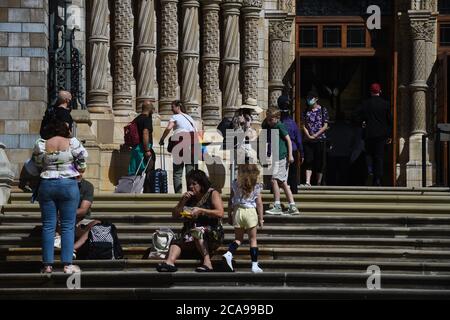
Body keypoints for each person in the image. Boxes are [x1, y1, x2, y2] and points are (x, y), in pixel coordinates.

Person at [33, 119, 88, 274]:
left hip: (47, 184)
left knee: (48, 225)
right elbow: (82, 163)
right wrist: (78, 170)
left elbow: (38, 163)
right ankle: (67, 264)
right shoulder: (73, 142)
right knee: (68, 225)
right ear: (66, 129)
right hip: (68, 185)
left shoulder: (42, 143)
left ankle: (47, 265)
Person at [156, 170, 224, 272]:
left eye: (194, 184)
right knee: (177, 239)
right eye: (189, 184)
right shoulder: (189, 197)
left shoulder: (212, 193)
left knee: (197, 232)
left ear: (202, 183)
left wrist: (201, 211)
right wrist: (182, 201)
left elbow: (220, 213)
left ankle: (207, 263)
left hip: (212, 233)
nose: (191, 187)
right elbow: (175, 214)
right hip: (191, 233)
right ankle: (169, 263)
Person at [223, 164, 264, 273]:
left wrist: (229, 215)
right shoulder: (257, 185)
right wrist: (261, 218)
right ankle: (254, 265)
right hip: (250, 212)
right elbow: (259, 203)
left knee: (238, 239)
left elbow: (230, 200)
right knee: (253, 240)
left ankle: (229, 253)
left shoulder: (235, 184)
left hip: (238, 211)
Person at [263, 108, 300, 215]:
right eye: (268, 119)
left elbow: (288, 140)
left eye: (271, 119)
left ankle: (277, 205)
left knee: (274, 180)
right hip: (277, 157)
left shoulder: (280, 125)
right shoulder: (273, 126)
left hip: (281, 157)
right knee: (283, 183)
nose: (269, 122)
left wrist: (290, 155)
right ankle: (292, 206)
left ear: (277, 118)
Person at [54, 174, 100, 257]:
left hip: (80, 220)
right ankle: (57, 239)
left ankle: (72, 248)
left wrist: (67, 212)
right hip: (63, 220)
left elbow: (83, 210)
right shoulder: (61, 184)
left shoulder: (87, 186)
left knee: (97, 224)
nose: (78, 174)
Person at [356, 83, 392, 186]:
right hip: (381, 135)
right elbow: (390, 121)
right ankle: (377, 179)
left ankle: (370, 171)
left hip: (369, 134)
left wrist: (361, 122)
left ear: (370, 92)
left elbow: (354, 115)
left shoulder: (365, 103)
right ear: (380, 91)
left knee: (369, 155)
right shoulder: (386, 104)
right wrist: (389, 135)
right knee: (379, 157)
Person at [159, 100, 198, 193]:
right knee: (190, 173)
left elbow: (168, 128)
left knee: (177, 172)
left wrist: (162, 139)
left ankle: (178, 195)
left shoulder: (175, 117)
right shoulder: (190, 118)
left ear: (178, 107)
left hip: (180, 143)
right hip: (192, 144)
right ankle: (191, 194)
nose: (171, 109)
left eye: (172, 107)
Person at [301, 91, 329, 186]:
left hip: (320, 139)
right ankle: (307, 181)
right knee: (309, 160)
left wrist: (316, 135)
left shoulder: (323, 110)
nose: (309, 100)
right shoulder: (306, 111)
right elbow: (303, 125)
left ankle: (318, 182)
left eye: (311, 98)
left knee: (320, 161)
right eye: (308, 98)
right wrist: (309, 135)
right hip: (308, 140)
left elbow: (325, 125)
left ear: (316, 99)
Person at [278, 95, 304, 194]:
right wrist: (302, 153)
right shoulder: (292, 123)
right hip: (292, 149)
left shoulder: (277, 123)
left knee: (277, 173)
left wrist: (268, 152)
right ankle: (294, 191)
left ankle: (275, 191)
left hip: (279, 149)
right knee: (292, 173)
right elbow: (299, 140)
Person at [127, 100, 155, 185]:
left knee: (135, 172)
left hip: (135, 149)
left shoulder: (136, 119)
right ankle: (146, 193)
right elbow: (145, 133)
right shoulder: (147, 119)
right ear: (150, 109)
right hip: (143, 149)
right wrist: (147, 150)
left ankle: (133, 190)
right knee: (148, 172)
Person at [326, 112, 356, 186]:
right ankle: (343, 185)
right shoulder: (349, 128)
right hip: (345, 153)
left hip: (333, 153)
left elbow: (327, 139)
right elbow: (353, 141)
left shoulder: (331, 128)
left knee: (333, 173)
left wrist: (328, 149)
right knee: (343, 173)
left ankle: (332, 186)